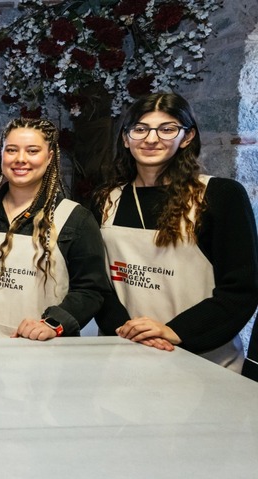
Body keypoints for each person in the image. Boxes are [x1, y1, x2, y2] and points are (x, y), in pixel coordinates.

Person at [93, 93, 258, 370]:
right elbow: (98, 282)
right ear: (125, 138)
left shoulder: (219, 195)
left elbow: (241, 289)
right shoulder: (107, 199)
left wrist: (173, 332)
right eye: (140, 129)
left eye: (167, 129)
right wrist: (125, 329)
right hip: (125, 351)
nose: (151, 139)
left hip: (201, 358)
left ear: (188, 136)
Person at [0, 118, 108, 340]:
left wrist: (54, 323)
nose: (20, 159)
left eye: (32, 151)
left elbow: (91, 290)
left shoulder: (75, 219)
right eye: (12, 150)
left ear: (50, 156)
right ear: (1, 156)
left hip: (44, 350)